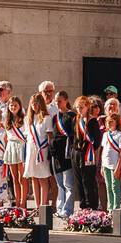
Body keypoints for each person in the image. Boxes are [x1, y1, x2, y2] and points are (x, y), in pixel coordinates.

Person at [48, 90, 77, 218]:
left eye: (59, 101)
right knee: (60, 184)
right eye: (56, 101)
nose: (57, 103)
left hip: (66, 153)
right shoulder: (55, 117)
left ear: (66, 100)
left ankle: (68, 210)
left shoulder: (72, 116)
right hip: (56, 154)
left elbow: (73, 135)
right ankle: (60, 209)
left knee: (68, 184)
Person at [71, 94, 102, 210]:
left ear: (87, 107)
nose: (79, 110)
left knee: (88, 181)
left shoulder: (92, 121)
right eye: (78, 107)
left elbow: (97, 140)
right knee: (79, 181)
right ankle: (83, 206)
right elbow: (73, 136)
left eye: (82, 107)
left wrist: (89, 150)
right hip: (76, 153)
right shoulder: (76, 119)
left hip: (88, 154)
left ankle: (92, 206)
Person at [23, 93, 53, 210]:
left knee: (43, 178)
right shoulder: (28, 119)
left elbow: (50, 136)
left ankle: (43, 206)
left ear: (41, 104)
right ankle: (37, 206)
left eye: (36, 103)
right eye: (32, 103)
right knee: (34, 178)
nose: (34, 106)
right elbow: (27, 137)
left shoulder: (47, 118)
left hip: (42, 151)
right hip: (31, 151)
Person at [100, 112, 121, 211]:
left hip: (115, 165)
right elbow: (103, 151)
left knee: (115, 187)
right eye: (107, 121)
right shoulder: (105, 135)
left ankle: (116, 209)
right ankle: (110, 209)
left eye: (111, 121)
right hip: (106, 164)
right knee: (108, 187)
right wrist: (102, 166)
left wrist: (118, 167)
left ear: (116, 122)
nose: (109, 123)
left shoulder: (120, 135)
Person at [3, 96, 27, 207]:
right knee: (14, 178)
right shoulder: (7, 119)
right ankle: (17, 202)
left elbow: (26, 134)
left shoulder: (24, 118)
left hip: (21, 146)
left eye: (15, 105)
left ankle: (23, 202)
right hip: (11, 147)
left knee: (22, 177)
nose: (13, 107)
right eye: (11, 105)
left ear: (19, 106)